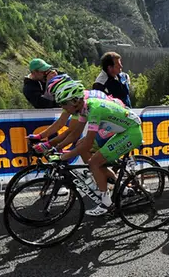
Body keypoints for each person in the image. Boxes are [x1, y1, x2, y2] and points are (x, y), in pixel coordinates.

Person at [55, 80, 143, 216]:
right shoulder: (84, 110)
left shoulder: (94, 110)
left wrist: (64, 156)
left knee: (94, 162)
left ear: (75, 101)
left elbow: (88, 144)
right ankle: (121, 189)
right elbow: (75, 134)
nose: (63, 108)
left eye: (64, 104)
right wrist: (57, 147)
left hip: (131, 133)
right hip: (123, 131)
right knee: (97, 161)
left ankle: (106, 203)